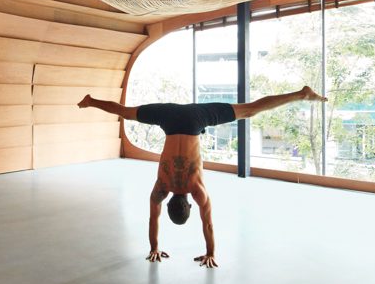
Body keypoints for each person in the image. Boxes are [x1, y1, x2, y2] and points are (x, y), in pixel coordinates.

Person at [78, 86, 327, 268]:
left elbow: (207, 224)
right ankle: (91, 101)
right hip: (170, 117)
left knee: (249, 111)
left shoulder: (196, 190)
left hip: (196, 119)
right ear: (171, 203)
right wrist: (153, 248)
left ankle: (301, 94)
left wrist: (210, 253)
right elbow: (153, 219)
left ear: (188, 204)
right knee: (126, 112)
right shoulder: (160, 188)